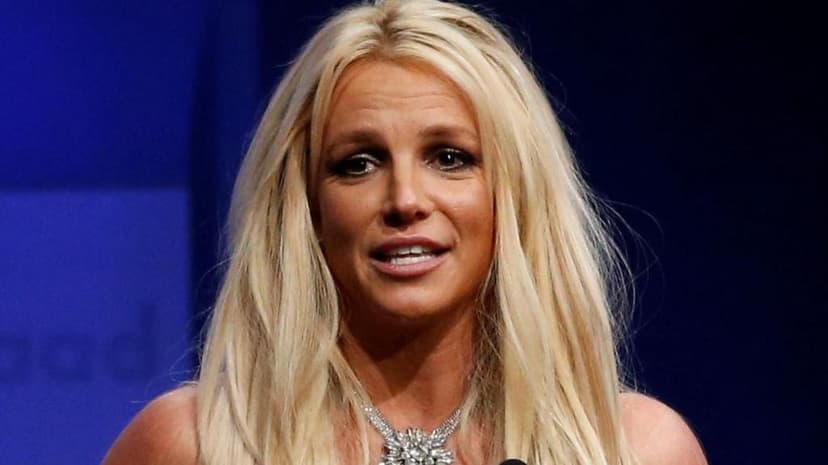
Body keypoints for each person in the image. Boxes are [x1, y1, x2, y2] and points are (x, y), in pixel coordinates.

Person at [103, 1, 707, 464]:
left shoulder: (635, 449)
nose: (406, 200)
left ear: (515, 194)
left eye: (449, 157)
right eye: (358, 164)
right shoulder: (192, 444)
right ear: (306, 206)